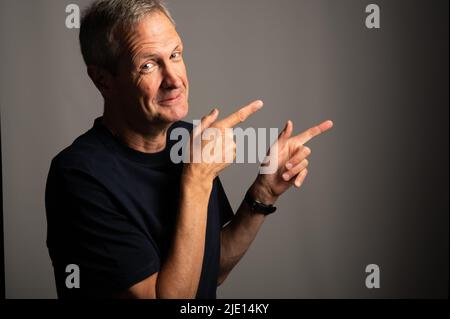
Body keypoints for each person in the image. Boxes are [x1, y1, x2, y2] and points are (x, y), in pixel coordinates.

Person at [45, 0, 333, 299]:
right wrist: (196, 179)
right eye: (148, 65)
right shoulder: (78, 176)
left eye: (175, 55)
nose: (174, 80)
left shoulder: (187, 139)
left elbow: (211, 268)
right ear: (103, 80)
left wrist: (263, 194)